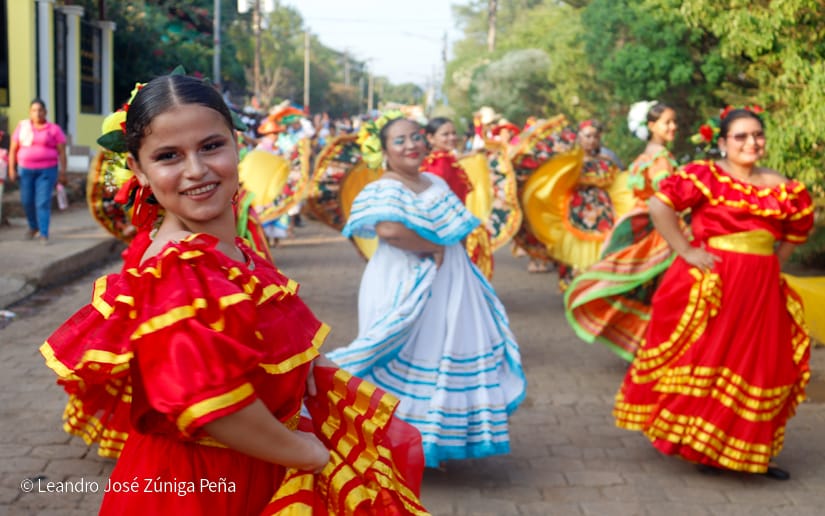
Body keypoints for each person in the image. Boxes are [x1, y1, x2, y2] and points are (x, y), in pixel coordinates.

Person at [40, 74, 427, 515]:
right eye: (168, 156)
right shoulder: (178, 268)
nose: (196, 170)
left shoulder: (228, 248)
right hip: (207, 488)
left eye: (210, 146)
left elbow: (282, 342)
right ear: (138, 169)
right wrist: (312, 455)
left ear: (237, 143)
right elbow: (214, 405)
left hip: (254, 464)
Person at [613, 108, 814, 480]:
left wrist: (774, 262)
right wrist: (686, 250)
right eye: (740, 136)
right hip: (714, 283)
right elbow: (659, 205)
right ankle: (704, 446)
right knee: (711, 356)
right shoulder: (705, 175)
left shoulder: (779, 183)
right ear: (722, 143)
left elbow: (800, 226)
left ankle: (751, 451)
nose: (751, 143)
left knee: (759, 363)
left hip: (760, 287)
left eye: (757, 135)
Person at [327, 113, 527, 468]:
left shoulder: (433, 182)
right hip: (402, 278)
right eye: (400, 140)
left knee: (437, 355)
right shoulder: (385, 187)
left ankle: (427, 435)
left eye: (416, 137)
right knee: (392, 350)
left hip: (447, 280)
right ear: (385, 151)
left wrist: (442, 253)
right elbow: (389, 230)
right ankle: (378, 435)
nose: (411, 145)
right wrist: (433, 247)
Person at [565, 101, 679, 360]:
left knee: (650, 286)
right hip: (660, 226)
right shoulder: (661, 159)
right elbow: (667, 194)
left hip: (641, 221)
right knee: (666, 287)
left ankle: (650, 343)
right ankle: (661, 346)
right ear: (651, 126)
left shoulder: (644, 155)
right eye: (667, 122)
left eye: (674, 121)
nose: (673, 127)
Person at [521, 119, 634, 291]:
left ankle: (597, 287)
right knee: (575, 248)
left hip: (602, 211)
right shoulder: (569, 161)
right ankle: (575, 287)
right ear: (579, 137)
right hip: (575, 209)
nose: (592, 140)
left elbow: (618, 183)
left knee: (602, 247)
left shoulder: (606, 161)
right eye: (588, 136)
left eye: (596, 136)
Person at [421, 117, 494, 278]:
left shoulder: (445, 159)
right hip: (445, 230)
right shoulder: (437, 165)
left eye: (454, 133)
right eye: (445, 134)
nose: (452, 138)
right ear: (430, 138)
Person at [7, 98, 67, 244]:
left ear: (45, 112)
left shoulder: (53, 129)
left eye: (40, 110)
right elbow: (13, 149)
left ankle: (44, 233)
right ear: (30, 112)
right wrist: (11, 169)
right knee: (26, 200)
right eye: (34, 110)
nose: (37, 113)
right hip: (25, 170)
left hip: (47, 171)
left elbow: (62, 152)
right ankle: (34, 227)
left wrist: (63, 172)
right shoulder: (23, 127)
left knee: (43, 202)